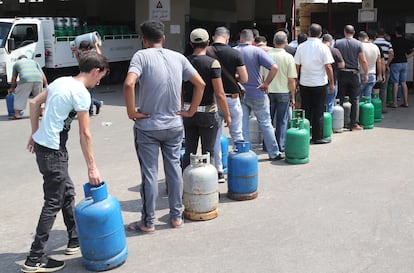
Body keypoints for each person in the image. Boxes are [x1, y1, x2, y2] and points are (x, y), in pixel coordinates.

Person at [22, 51, 109, 273]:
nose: (99, 81)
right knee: (53, 202)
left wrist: (35, 133)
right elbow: (85, 134)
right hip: (53, 152)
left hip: (46, 147)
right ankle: (35, 257)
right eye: (101, 77)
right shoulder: (81, 93)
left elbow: (33, 103)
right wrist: (92, 167)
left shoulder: (61, 81)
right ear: (95, 71)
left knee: (67, 192)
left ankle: (74, 239)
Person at [123, 20, 205, 233]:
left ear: (144, 39)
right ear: (163, 38)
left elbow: (129, 83)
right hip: (174, 125)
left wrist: (132, 112)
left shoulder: (141, 56)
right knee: (174, 170)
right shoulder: (177, 57)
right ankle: (176, 217)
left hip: (148, 126)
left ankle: (148, 222)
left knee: (149, 174)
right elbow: (200, 84)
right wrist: (191, 110)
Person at [182, 28, 231, 170]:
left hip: (188, 112)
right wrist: (227, 115)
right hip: (207, 113)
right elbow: (220, 93)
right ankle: (207, 186)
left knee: (189, 150)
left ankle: (184, 183)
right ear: (208, 43)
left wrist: (181, 107)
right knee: (208, 151)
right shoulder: (212, 63)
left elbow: (180, 88)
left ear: (191, 44)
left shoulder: (184, 62)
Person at [206, 26, 248, 183]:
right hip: (231, 98)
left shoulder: (206, 51)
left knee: (215, 136)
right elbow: (244, 79)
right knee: (237, 133)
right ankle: (239, 170)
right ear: (228, 38)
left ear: (212, 37)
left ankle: (218, 171)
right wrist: (234, 76)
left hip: (213, 99)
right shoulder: (235, 53)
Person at [235, 28, 284, 160]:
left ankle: (245, 153)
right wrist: (266, 83)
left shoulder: (233, 51)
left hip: (239, 93)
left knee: (242, 124)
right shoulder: (256, 51)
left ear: (240, 38)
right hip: (257, 92)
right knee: (265, 123)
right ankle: (274, 153)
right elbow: (274, 67)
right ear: (252, 40)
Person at [294, 23, 334, 144]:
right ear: (320, 34)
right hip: (319, 83)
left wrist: (296, 81)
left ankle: (305, 134)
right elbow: (328, 66)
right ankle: (317, 137)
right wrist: (331, 83)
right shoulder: (323, 47)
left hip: (304, 83)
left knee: (306, 109)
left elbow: (297, 65)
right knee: (318, 110)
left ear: (309, 33)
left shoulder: (301, 47)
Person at [262, 31, 297, 152]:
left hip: (268, 92)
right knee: (282, 121)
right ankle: (280, 146)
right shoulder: (288, 57)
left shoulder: (266, 55)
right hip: (283, 92)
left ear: (273, 41)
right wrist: (293, 96)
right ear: (286, 42)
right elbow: (291, 79)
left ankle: (267, 145)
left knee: (268, 120)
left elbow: (261, 76)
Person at [334, 25, 368, 131]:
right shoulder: (358, 44)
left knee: (340, 98)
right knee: (355, 99)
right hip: (354, 73)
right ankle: (353, 124)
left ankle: (340, 122)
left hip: (341, 73)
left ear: (345, 32)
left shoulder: (338, 43)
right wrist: (366, 73)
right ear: (354, 32)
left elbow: (335, 58)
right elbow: (363, 60)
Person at [7, 55, 48, 119]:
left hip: (26, 79)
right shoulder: (34, 62)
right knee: (39, 96)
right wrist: (46, 84)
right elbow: (42, 74)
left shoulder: (16, 64)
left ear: (19, 59)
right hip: (38, 78)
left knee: (20, 96)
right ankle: (41, 112)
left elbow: (14, 78)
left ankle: (17, 114)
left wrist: (12, 88)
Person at [72, 40, 104, 116]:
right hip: (84, 78)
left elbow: (100, 57)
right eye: (82, 50)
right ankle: (98, 103)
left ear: (88, 48)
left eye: (84, 49)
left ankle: (90, 112)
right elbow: (81, 64)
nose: (83, 51)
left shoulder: (93, 54)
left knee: (88, 95)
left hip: (93, 78)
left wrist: (96, 46)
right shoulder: (84, 55)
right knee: (87, 95)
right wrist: (77, 55)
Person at [388, 26, 414, 108]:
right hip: (404, 63)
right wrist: (408, 56)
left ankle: (395, 103)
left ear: (396, 33)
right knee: (403, 82)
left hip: (395, 63)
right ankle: (406, 102)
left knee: (395, 83)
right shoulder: (407, 41)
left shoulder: (393, 41)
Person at [322, 33, 345, 114]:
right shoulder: (335, 51)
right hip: (331, 82)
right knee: (329, 104)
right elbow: (342, 65)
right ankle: (327, 125)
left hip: (319, 82)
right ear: (331, 42)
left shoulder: (318, 50)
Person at [374, 28, 393, 112]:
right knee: (383, 89)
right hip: (384, 67)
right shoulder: (388, 44)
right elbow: (392, 54)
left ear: (376, 34)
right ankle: (382, 108)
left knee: (373, 88)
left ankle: (373, 106)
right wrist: (387, 64)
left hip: (374, 68)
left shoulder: (373, 43)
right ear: (384, 35)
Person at [358, 31, 382, 98]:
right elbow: (379, 61)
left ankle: (358, 109)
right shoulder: (375, 47)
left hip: (362, 73)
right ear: (367, 38)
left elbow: (362, 61)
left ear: (359, 38)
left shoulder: (360, 46)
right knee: (368, 97)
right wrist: (380, 74)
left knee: (359, 96)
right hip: (372, 74)